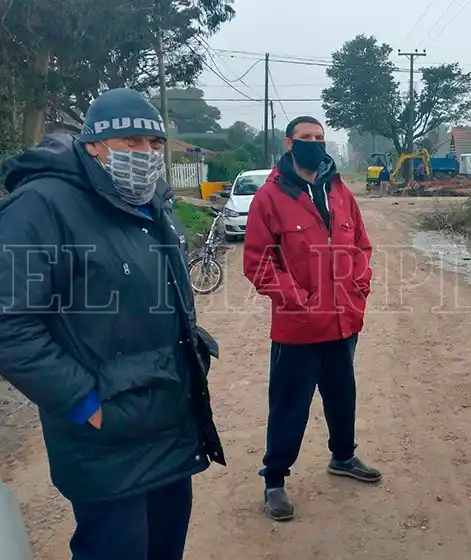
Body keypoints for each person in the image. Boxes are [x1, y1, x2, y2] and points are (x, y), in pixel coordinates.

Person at [0, 88, 225, 560]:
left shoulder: (154, 205)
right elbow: (10, 325)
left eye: (154, 143)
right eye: (130, 141)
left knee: (166, 547)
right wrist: (82, 402)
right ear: (93, 145)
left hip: (168, 422)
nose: (146, 153)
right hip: (106, 437)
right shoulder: (41, 206)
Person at [243, 116, 379, 523]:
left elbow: (361, 245)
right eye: (306, 138)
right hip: (298, 327)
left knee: (342, 394)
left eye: (319, 138)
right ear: (289, 143)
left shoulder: (339, 191)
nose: (314, 144)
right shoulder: (270, 197)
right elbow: (258, 263)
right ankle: (275, 479)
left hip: (343, 322)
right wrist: (299, 300)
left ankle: (343, 457)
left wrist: (359, 286)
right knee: (289, 404)